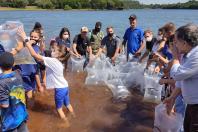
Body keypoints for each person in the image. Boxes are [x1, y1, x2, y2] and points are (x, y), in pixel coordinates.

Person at [18, 28, 75, 122]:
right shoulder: (60, 62)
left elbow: (34, 55)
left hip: (60, 89)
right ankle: (74, 116)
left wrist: (25, 38)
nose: (51, 50)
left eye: (54, 50)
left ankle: (66, 124)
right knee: (68, 104)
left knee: (59, 109)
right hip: (65, 86)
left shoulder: (52, 61)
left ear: (59, 55)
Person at [164, 24, 198, 132]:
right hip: (191, 105)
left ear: (184, 42)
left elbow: (177, 75)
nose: (175, 45)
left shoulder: (196, 56)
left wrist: (175, 57)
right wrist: (172, 97)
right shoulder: (187, 54)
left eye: (176, 42)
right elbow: (181, 80)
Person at [0, 52, 28, 132]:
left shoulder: (1, 83)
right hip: (22, 115)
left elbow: (5, 105)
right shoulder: (18, 74)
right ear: (13, 64)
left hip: (10, 121)